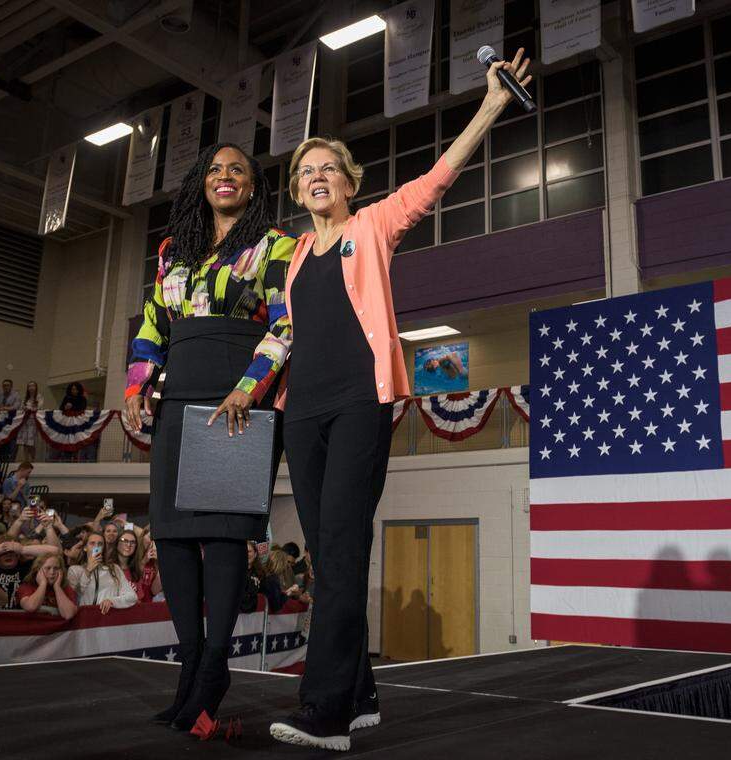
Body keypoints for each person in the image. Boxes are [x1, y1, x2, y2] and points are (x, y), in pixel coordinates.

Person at [268, 50, 533, 751]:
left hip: (360, 402)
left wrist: (492, 105)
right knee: (328, 554)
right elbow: (283, 335)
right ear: (298, 191)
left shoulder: (372, 228)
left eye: (328, 168)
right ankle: (360, 694)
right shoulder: (292, 257)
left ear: (351, 184)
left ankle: (324, 711)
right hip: (302, 411)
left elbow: (438, 177)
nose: (317, 177)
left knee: (345, 547)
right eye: (306, 171)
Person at [122, 141, 296, 732]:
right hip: (178, 395)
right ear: (202, 182)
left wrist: (250, 387)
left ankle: (216, 664)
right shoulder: (174, 251)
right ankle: (191, 662)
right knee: (170, 534)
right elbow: (152, 324)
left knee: (222, 536)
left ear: (252, 187)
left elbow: (286, 324)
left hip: (236, 396)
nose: (225, 177)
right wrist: (135, 386)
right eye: (216, 170)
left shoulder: (276, 246)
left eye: (238, 170)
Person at [0, 533, 62, 609]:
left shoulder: (25, 567)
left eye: (12, 551)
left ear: (18, 554)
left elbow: (55, 552)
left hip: (19, 618)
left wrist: (22, 549)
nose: (8, 554)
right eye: (3, 552)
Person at [66, 531, 137, 613]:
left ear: (103, 548)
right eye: (92, 543)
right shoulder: (74, 570)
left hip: (109, 618)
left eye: (100, 544)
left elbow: (132, 596)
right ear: (85, 547)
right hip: (86, 619)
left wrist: (112, 601)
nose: (96, 547)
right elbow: (73, 597)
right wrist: (88, 571)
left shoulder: (114, 569)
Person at [18, 553, 77, 619]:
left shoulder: (66, 589)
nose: (52, 572)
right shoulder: (26, 587)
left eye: (56, 568)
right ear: (38, 570)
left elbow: (68, 614)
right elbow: (31, 607)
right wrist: (43, 584)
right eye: (48, 568)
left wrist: (57, 587)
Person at [16, 382, 43, 461]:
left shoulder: (39, 397)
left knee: (31, 443)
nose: (31, 387)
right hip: (24, 421)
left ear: (36, 387)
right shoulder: (25, 398)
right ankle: (26, 460)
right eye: (29, 386)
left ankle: (33, 460)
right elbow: (21, 408)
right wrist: (24, 408)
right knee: (24, 443)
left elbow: (39, 407)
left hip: (33, 422)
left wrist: (30, 409)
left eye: (33, 386)